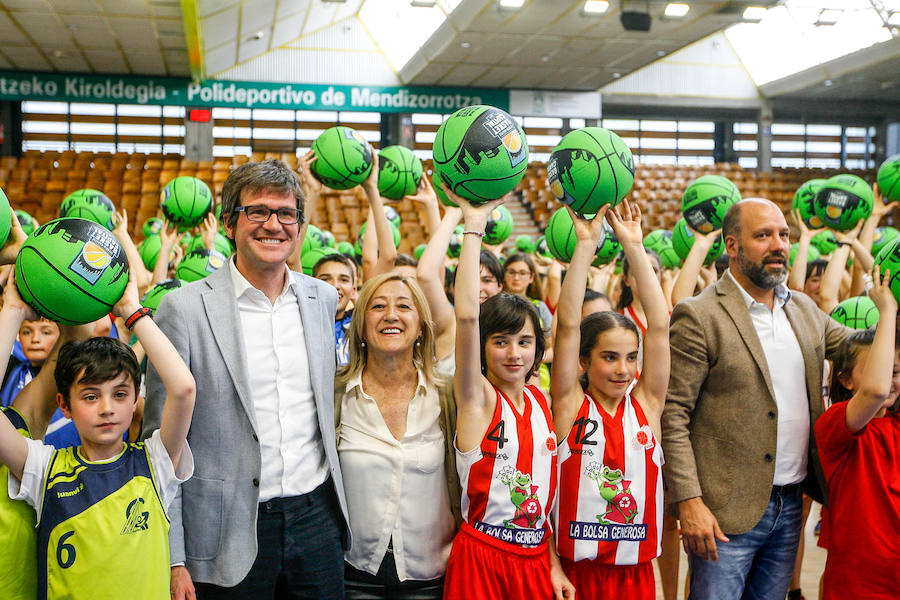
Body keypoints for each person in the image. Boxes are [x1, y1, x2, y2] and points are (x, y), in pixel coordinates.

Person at [143, 159, 350, 599]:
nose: (273, 225)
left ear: (300, 225)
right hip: (225, 529)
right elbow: (160, 444)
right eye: (258, 211)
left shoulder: (321, 298)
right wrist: (174, 556)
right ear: (229, 223)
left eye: (286, 213)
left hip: (316, 517)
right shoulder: (182, 309)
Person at [662, 198, 851, 600]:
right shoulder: (698, 315)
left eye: (783, 234)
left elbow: (857, 348)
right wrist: (690, 502)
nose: (778, 244)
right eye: (763, 236)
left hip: (790, 504)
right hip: (723, 512)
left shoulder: (802, 308)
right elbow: (672, 415)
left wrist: (888, 310)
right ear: (731, 245)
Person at [2, 268, 195, 599]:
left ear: (136, 399)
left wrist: (134, 313)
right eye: (91, 396)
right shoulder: (43, 469)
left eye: (120, 394)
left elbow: (184, 388)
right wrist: (14, 311)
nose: (107, 407)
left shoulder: (155, 464)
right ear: (64, 404)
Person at [442, 188, 558, 600]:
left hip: (536, 558)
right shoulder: (479, 397)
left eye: (524, 342)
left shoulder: (543, 401)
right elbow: (469, 312)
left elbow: (544, 508)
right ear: (483, 346)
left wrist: (555, 563)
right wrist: (474, 227)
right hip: (482, 556)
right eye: (501, 341)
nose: (514, 353)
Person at [551, 202, 669, 600]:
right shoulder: (570, 405)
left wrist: (634, 247)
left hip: (634, 575)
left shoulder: (647, 405)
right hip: (578, 574)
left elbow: (660, 326)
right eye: (609, 357)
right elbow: (568, 326)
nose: (623, 369)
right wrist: (585, 245)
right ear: (584, 361)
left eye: (631, 358)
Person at [335, 272, 460, 599]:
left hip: (431, 575)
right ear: (361, 325)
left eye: (404, 306)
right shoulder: (335, 393)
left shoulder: (448, 396)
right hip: (352, 574)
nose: (391, 314)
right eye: (378, 306)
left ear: (420, 326)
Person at [816, 273, 899, 600]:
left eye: (895, 371)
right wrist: (887, 311)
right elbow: (876, 391)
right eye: (879, 368)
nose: (888, 380)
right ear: (846, 380)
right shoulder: (835, 425)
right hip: (858, 582)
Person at [313, 253, 359, 368]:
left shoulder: (361, 324)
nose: (334, 285)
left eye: (343, 280)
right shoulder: (303, 322)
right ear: (311, 287)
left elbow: (387, 258)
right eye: (325, 279)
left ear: (353, 290)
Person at [1, 317, 59, 407]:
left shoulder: (73, 373)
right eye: (27, 332)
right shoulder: (8, 370)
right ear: (18, 336)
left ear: (61, 337)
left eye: (46, 332)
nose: (35, 339)